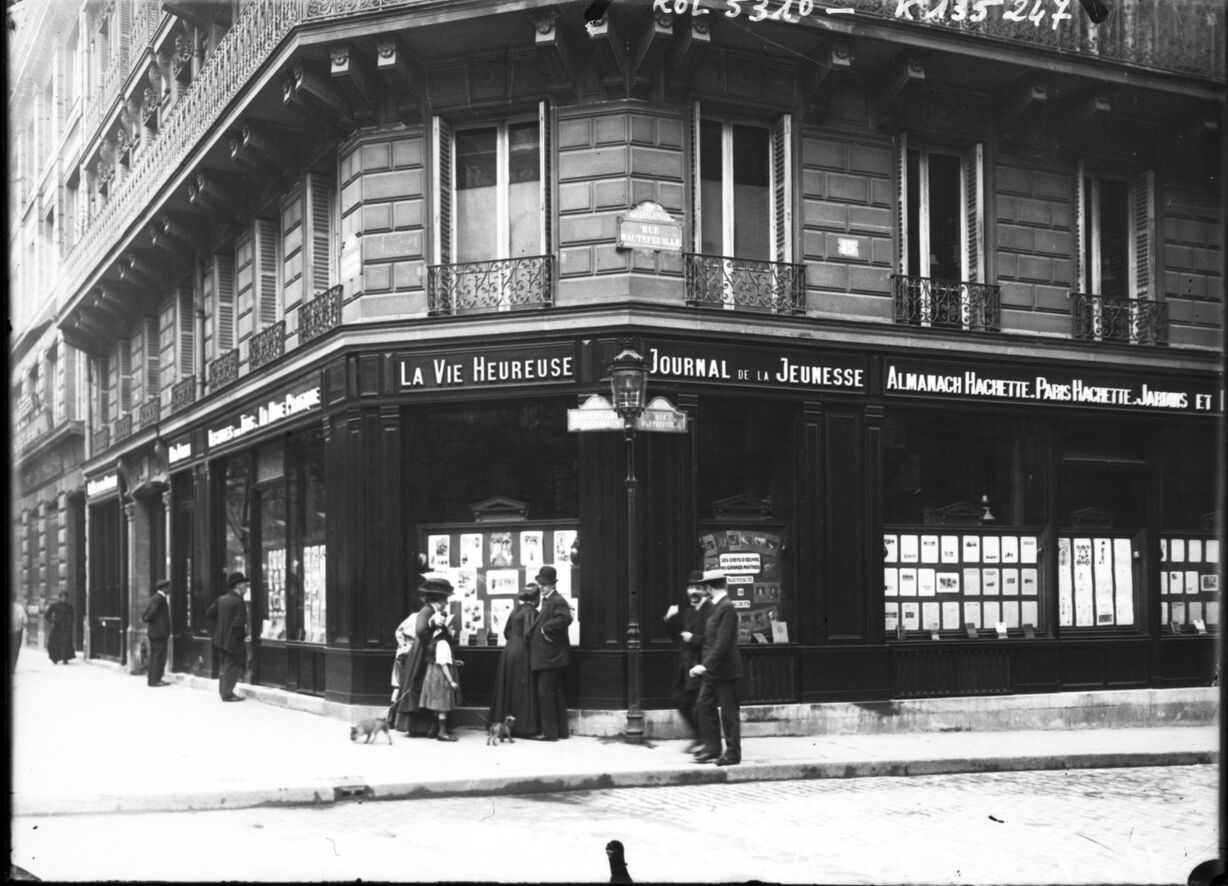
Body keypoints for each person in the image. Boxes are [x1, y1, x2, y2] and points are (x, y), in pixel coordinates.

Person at [689, 569, 742, 766]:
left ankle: (733, 753)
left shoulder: (727, 607)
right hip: (713, 670)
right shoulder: (716, 606)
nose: (703, 590)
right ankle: (713, 748)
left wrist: (704, 666)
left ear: (710, 587)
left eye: (704, 587)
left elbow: (722, 644)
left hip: (726, 670)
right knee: (703, 704)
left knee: (729, 713)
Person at [390, 574, 453, 736]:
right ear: (439, 598)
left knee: (426, 689)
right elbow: (420, 631)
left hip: (427, 654)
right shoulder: (427, 611)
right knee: (422, 687)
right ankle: (422, 727)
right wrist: (433, 626)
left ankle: (427, 728)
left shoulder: (432, 611)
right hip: (423, 656)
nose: (447, 602)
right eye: (445, 598)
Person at [664, 572, 712, 754]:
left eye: (698, 588)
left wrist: (693, 638)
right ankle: (700, 736)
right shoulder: (689, 612)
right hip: (686, 667)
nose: (693, 591)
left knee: (701, 706)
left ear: (705, 591)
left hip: (701, 665)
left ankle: (706, 741)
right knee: (680, 700)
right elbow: (675, 637)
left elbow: (712, 641)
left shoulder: (710, 611)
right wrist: (669, 619)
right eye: (691, 588)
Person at [489, 584, 541, 737]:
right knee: (522, 690)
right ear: (536, 599)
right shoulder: (532, 611)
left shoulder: (516, 610)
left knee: (508, 687)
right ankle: (523, 727)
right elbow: (528, 635)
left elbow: (506, 632)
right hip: (522, 652)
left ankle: (502, 724)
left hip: (509, 649)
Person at [529, 565, 572, 741]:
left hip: (551, 657)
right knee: (555, 693)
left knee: (545, 693)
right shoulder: (549, 600)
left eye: (545, 584)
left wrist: (546, 628)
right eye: (541, 583)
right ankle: (561, 731)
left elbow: (565, 618)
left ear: (553, 585)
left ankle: (549, 733)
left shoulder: (556, 600)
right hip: (551, 657)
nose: (542, 587)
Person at [206, 571, 249, 702]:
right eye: (244, 584)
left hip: (220, 639)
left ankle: (223, 691)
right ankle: (227, 693)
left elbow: (209, 613)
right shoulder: (239, 601)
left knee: (223, 666)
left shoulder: (221, 599)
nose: (246, 587)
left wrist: (218, 629)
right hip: (233, 640)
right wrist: (242, 636)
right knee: (231, 667)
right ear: (238, 586)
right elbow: (239, 623)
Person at [419, 619, 462, 741]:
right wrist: (451, 681)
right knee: (442, 704)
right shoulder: (443, 643)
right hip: (440, 676)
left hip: (432, 674)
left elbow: (438, 659)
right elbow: (443, 663)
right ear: (445, 630)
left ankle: (433, 730)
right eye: (451, 628)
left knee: (437, 703)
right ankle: (442, 733)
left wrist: (453, 662)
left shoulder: (435, 641)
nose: (453, 630)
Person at [142, 579, 171, 687]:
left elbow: (146, 614)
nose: (170, 589)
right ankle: (155, 680)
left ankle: (154, 679)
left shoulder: (154, 597)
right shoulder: (160, 599)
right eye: (168, 587)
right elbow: (151, 613)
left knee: (155, 656)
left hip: (154, 633)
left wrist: (147, 619)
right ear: (164, 588)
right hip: (159, 633)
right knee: (159, 657)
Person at [45, 591, 76, 664]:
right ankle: (55, 658)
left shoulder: (69, 606)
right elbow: (47, 615)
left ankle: (65, 658)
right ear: (59, 598)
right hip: (56, 627)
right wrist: (52, 621)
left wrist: (70, 624)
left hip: (65, 627)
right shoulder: (54, 605)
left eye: (65, 598)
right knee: (55, 643)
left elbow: (72, 616)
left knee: (66, 643)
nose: (64, 599)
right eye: (62, 597)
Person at [11, 597, 26, 673]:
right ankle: (12, 667)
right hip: (16, 631)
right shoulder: (19, 608)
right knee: (15, 650)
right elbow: (24, 620)